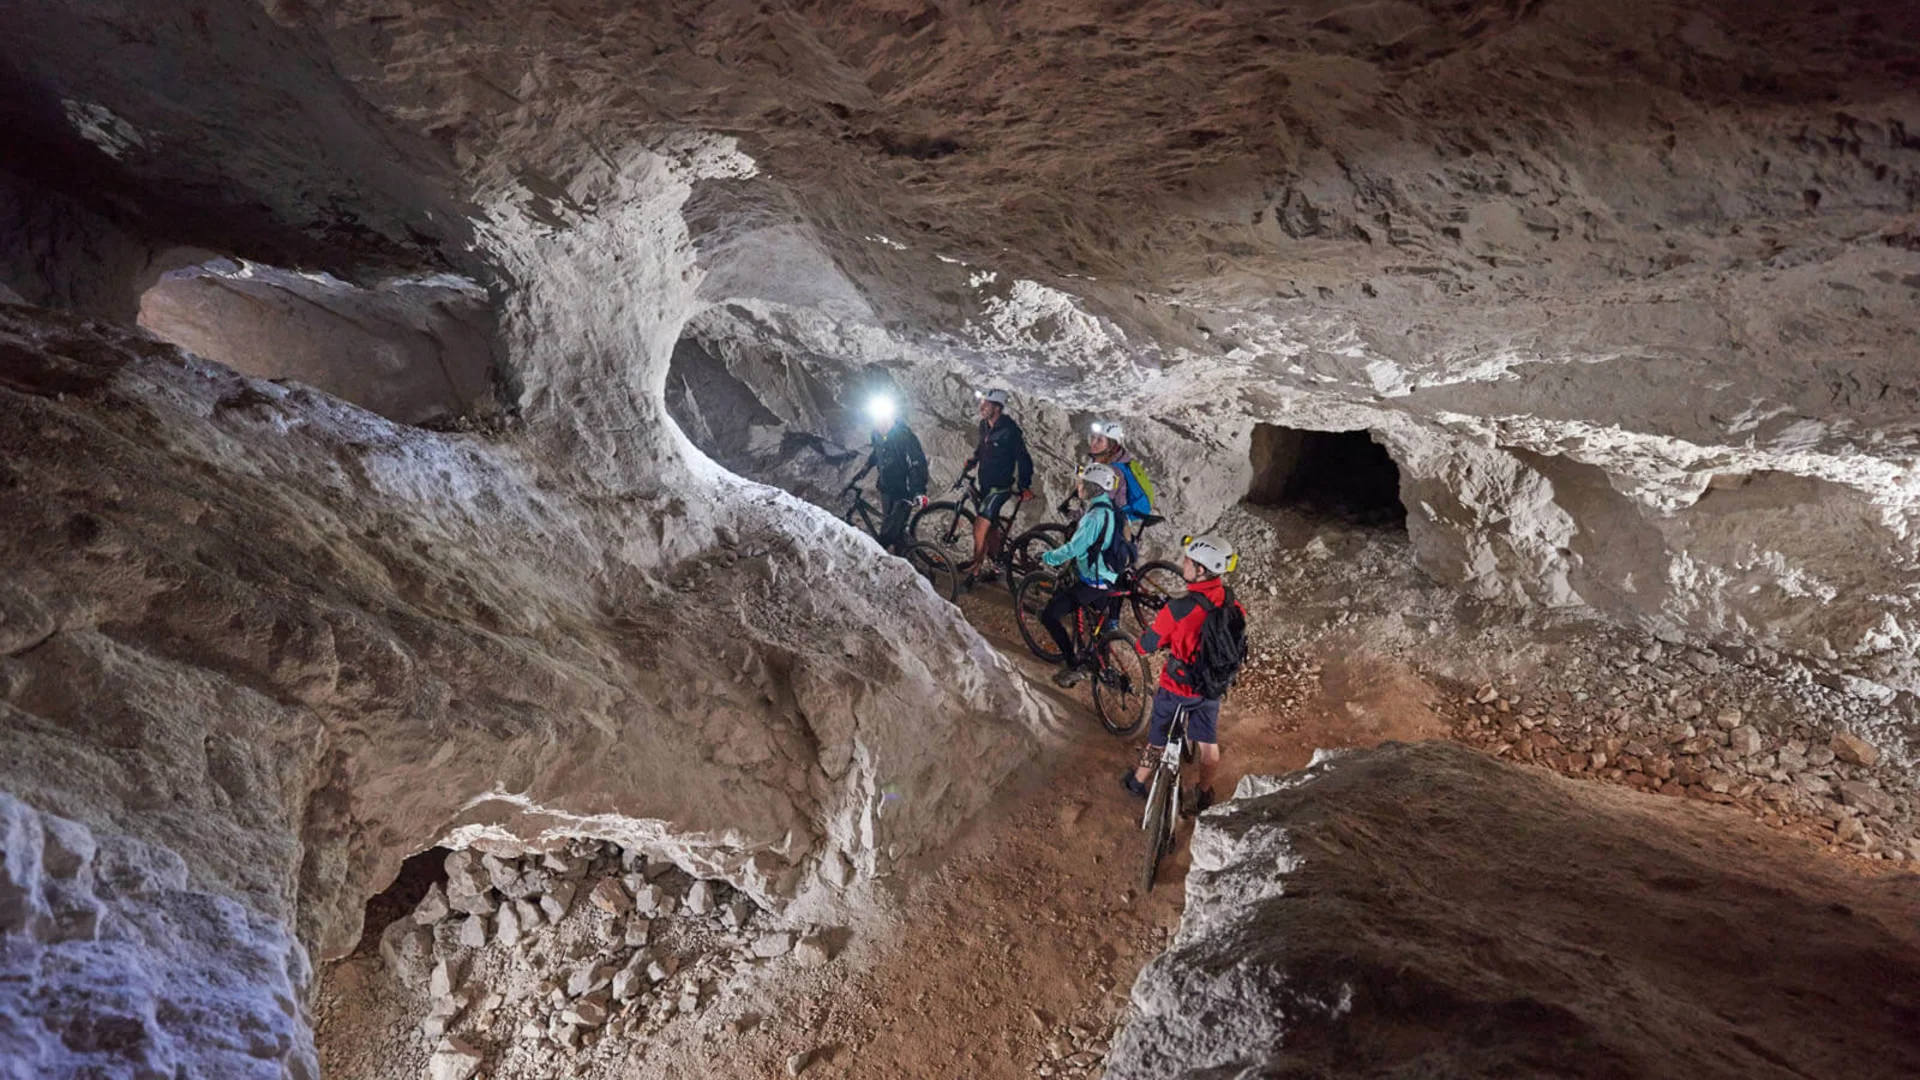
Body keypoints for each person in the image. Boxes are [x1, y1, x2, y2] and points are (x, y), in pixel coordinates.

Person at [1124, 534, 1246, 815]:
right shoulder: (1232, 602)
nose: (1183, 564)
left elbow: (1148, 644)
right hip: (1212, 687)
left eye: (1188, 561)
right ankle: (1204, 792)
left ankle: (1137, 782)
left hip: (1177, 687)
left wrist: (1145, 646)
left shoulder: (1178, 609)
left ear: (1201, 569)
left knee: (1157, 740)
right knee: (1208, 743)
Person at [1038, 463, 1124, 687]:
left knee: (1049, 615)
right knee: (1098, 625)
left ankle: (1074, 666)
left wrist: (1049, 557)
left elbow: (1074, 549)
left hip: (1093, 580)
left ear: (1093, 487)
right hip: (1108, 576)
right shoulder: (1108, 508)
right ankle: (1103, 665)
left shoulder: (1094, 517)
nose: (1078, 487)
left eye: (1082, 483)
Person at [960, 388, 1033, 583]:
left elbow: (1023, 459)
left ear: (998, 408)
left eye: (986, 404)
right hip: (985, 483)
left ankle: (975, 569)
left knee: (980, 526)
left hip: (999, 488)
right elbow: (982, 448)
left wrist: (1024, 485)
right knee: (991, 527)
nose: (982, 406)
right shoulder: (984, 425)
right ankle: (998, 562)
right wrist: (974, 460)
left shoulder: (1010, 430)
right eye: (982, 402)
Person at [847, 393, 928, 552]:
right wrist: (863, 471)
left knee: (885, 537)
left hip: (903, 493)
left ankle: (884, 559)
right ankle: (904, 554)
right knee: (895, 531)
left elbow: (917, 463)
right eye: (876, 419)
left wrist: (918, 491)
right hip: (886, 489)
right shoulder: (877, 435)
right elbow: (876, 454)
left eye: (883, 418)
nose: (880, 422)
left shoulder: (904, 436)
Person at [1085, 420, 1155, 528]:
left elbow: (1105, 504)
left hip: (1118, 517)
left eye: (1099, 440)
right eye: (1093, 437)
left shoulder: (1114, 471)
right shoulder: (1109, 460)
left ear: (1111, 445)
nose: (1094, 443)